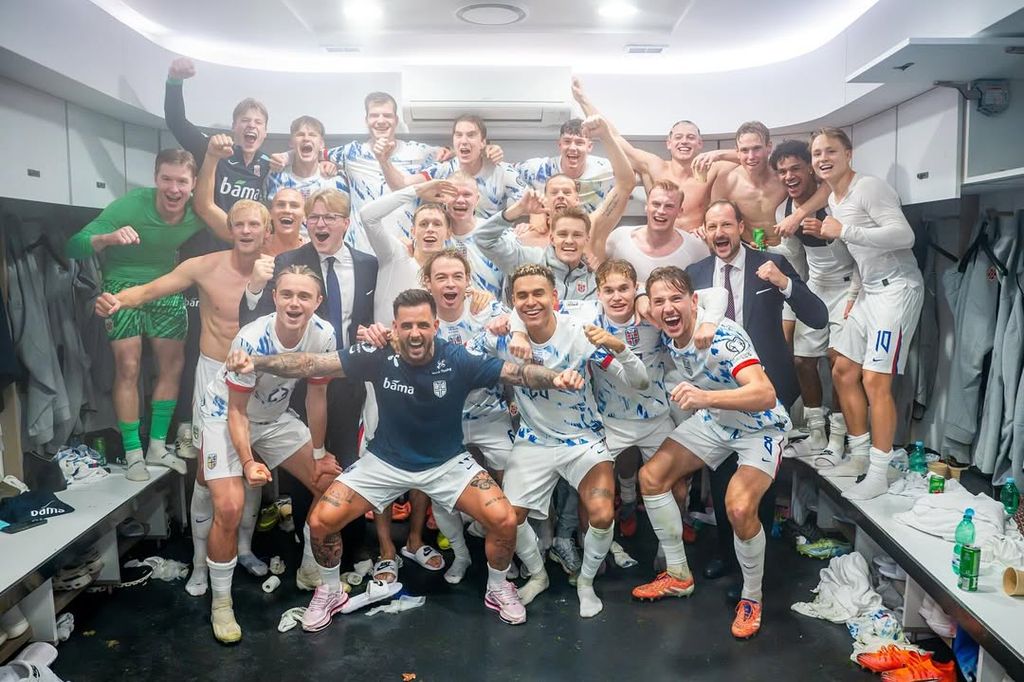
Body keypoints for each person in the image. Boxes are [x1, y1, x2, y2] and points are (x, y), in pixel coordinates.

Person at [227, 288, 590, 629]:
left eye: (422, 325)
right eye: (406, 326)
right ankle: (330, 591)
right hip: (384, 462)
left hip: (447, 463)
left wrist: (557, 379)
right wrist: (254, 361)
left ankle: (498, 587)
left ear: (435, 325)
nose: (415, 333)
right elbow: (309, 363)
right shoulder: (377, 355)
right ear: (395, 327)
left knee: (505, 519)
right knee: (321, 522)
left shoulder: (457, 358)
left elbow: (519, 373)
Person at [93, 186, 278, 593]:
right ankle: (199, 562)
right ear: (229, 229)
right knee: (207, 476)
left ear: (267, 231)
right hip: (214, 379)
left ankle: (243, 548)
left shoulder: (279, 270)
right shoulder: (203, 266)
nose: (246, 231)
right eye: (239, 224)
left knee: (253, 471)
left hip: (260, 379)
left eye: (254, 224)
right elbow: (152, 289)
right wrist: (116, 301)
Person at [473, 264, 650, 618]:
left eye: (539, 293)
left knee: (601, 514)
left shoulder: (579, 334)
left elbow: (640, 382)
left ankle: (585, 583)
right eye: (521, 296)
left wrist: (620, 348)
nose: (531, 301)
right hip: (533, 440)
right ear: (513, 303)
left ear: (555, 297)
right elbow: (460, 356)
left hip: (583, 438)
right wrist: (497, 325)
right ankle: (538, 575)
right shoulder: (503, 337)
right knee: (507, 519)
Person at [632, 266, 791, 641]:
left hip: (759, 426)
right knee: (651, 477)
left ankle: (752, 598)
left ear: (694, 301)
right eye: (659, 302)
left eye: (676, 299)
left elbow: (765, 394)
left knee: (738, 507)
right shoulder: (665, 320)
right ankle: (677, 574)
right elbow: (649, 299)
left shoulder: (722, 335)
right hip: (716, 422)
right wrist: (643, 298)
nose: (668, 308)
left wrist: (703, 397)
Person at [685, 199, 827, 593]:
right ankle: (726, 555)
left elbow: (817, 315)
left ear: (741, 226)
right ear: (706, 231)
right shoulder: (694, 273)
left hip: (766, 389)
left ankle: (756, 570)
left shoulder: (771, 262)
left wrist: (785, 283)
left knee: (758, 480)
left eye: (726, 225)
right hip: (717, 391)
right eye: (712, 227)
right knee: (720, 474)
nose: (719, 234)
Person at [240, 187, 378, 588]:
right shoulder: (288, 262)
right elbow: (262, 320)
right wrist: (252, 289)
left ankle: (350, 545)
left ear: (345, 224)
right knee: (308, 467)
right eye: (314, 217)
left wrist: (372, 334)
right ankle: (305, 546)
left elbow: (369, 319)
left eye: (329, 217)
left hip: (347, 378)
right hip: (297, 384)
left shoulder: (367, 264)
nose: (320, 224)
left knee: (346, 462)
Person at [197, 265, 341, 643]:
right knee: (228, 507)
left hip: (275, 417)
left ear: (317, 302)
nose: (295, 303)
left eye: (304, 296)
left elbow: (317, 395)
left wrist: (320, 452)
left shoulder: (323, 334)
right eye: (287, 294)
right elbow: (236, 412)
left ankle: (310, 567)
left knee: (331, 484)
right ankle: (222, 604)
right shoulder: (251, 338)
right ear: (274, 296)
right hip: (225, 414)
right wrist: (247, 462)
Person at [66, 149, 228, 480]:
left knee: (173, 367)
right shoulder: (131, 205)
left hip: (166, 286)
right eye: (166, 179)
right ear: (155, 179)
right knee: (129, 366)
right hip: (122, 287)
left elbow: (233, 231)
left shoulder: (196, 210)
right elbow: (72, 246)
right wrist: (108, 238)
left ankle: (157, 445)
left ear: (193, 184)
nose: (173, 189)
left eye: (182, 182)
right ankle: (133, 452)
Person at [805, 128, 924, 501]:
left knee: (875, 381)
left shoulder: (869, 188)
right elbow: (861, 255)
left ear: (848, 154)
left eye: (831, 151)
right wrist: (855, 295)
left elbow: (904, 237)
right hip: (870, 292)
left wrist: (846, 229)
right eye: (817, 153)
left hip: (898, 290)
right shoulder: (836, 201)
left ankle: (878, 470)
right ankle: (858, 457)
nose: (823, 158)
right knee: (841, 368)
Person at [423, 249, 514, 583]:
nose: (450, 283)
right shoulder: (421, 315)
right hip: (444, 422)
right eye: (441, 277)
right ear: (428, 283)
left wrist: (504, 325)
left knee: (511, 485)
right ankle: (460, 556)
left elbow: (519, 330)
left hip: (491, 415)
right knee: (441, 495)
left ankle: (506, 551)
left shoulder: (487, 309)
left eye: (457, 277)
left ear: (468, 281)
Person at [474, 115, 635, 301]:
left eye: (566, 192)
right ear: (546, 201)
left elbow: (626, 184)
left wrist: (606, 136)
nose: (560, 196)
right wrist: (518, 210)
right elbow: (485, 240)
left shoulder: (593, 226)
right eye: (554, 193)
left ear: (577, 200)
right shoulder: (524, 238)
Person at [769, 139, 860, 455]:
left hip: (850, 288)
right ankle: (816, 433)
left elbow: (858, 254)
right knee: (802, 361)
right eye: (782, 171)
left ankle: (837, 439)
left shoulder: (835, 202)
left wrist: (825, 233)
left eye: (795, 168)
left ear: (811, 168)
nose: (789, 176)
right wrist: (765, 252)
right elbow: (795, 256)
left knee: (838, 365)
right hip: (816, 287)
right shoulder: (786, 209)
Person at [571, 77, 709, 233]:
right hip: (659, 243)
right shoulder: (654, 166)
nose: (684, 142)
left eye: (690, 138)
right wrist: (582, 100)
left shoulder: (712, 172)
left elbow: (741, 158)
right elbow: (615, 138)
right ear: (668, 143)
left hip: (695, 247)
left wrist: (719, 154)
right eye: (678, 137)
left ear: (700, 143)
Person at [322, 91, 453, 251]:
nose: (381, 121)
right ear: (367, 120)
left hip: (405, 250)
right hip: (361, 251)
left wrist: (449, 149)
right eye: (374, 115)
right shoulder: (352, 152)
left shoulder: (417, 151)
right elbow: (314, 153)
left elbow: (453, 152)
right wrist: (324, 163)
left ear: (396, 120)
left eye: (387, 115)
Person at [164, 57, 272, 213]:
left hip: (246, 235)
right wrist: (174, 80)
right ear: (234, 126)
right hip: (205, 235)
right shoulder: (213, 149)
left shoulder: (268, 165)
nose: (252, 125)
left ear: (265, 132)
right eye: (245, 120)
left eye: (258, 122)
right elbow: (176, 121)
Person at [694, 122, 827, 243]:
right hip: (751, 248)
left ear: (769, 147)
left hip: (792, 248)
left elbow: (830, 186)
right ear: (737, 151)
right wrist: (703, 229)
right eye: (745, 150)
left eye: (756, 148)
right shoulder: (727, 181)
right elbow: (715, 217)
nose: (751, 156)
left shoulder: (784, 174)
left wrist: (797, 216)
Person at [377, 114, 517, 220]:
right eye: (458, 135)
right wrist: (384, 161)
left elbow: (531, 203)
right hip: (452, 248)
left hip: (487, 249)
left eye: (471, 135)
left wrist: (526, 226)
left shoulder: (501, 171)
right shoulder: (443, 169)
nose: (464, 141)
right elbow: (401, 185)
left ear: (482, 143)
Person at [590, 179, 710, 279]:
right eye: (656, 204)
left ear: (680, 212)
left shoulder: (696, 247)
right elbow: (598, 274)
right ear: (646, 206)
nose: (661, 211)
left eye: (669, 206)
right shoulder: (618, 238)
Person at [514, 116, 614, 214]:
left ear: (589, 147)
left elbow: (628, 176)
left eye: (579, 143)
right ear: (560, 145)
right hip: (550, 227)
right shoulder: (539, 169)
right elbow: (505, 170)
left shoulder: (605, 169)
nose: (572, 148)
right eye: (567, 141)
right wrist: (533, 209)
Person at [445, 171, 505, 298]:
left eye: (467, 194)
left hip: (493, 314)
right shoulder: (433, 237)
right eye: (453, 194)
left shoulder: (495, 233)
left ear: (477, 199)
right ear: (444, 198)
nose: (460, 200)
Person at [266, 116, 349, 203]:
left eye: (312, 135)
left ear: (321, 144)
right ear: (291, 142)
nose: (306, 138)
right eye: (300, 134)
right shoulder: (277, 177)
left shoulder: (334, 179)